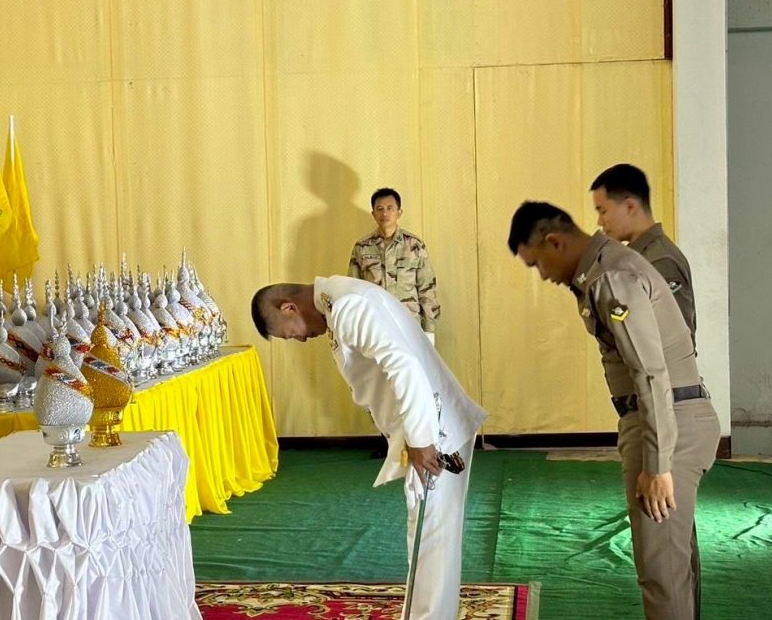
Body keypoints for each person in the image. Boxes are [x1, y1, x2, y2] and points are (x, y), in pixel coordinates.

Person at [507, 201, 719, 620]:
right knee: (671, 565)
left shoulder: (611, 277)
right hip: (665, 418)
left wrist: (657, 465)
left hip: (667, 423)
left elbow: (650, 373)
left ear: (555, 242)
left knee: (662, 572)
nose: (543, 276)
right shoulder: (606, 269)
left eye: (538, 264)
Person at [251, 276, 486, 619]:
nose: (300, 339)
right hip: (426, 427)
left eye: (290, 333)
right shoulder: (337, 300)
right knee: (432, 543)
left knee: (429, 543)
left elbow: (404, 366)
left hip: (433, 432)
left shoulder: (348, 305)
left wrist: (421, 441)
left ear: (289, 307)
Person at [590, 164, 696, 339]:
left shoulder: (659, 261)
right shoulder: (634, 260)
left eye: (603, 211)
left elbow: (677, 343)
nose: (600, 222)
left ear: (630, 207)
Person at [348, 188, 440, 345]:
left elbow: (427, 288)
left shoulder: (415, 245)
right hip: (374, 326)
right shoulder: (362, 247)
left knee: (409, 362)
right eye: (380, 209)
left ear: (399, 212)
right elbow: (353, 289)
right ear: (373, 214)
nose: (385, 213)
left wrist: (429, 330)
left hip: (409, 326)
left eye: (390, 208)